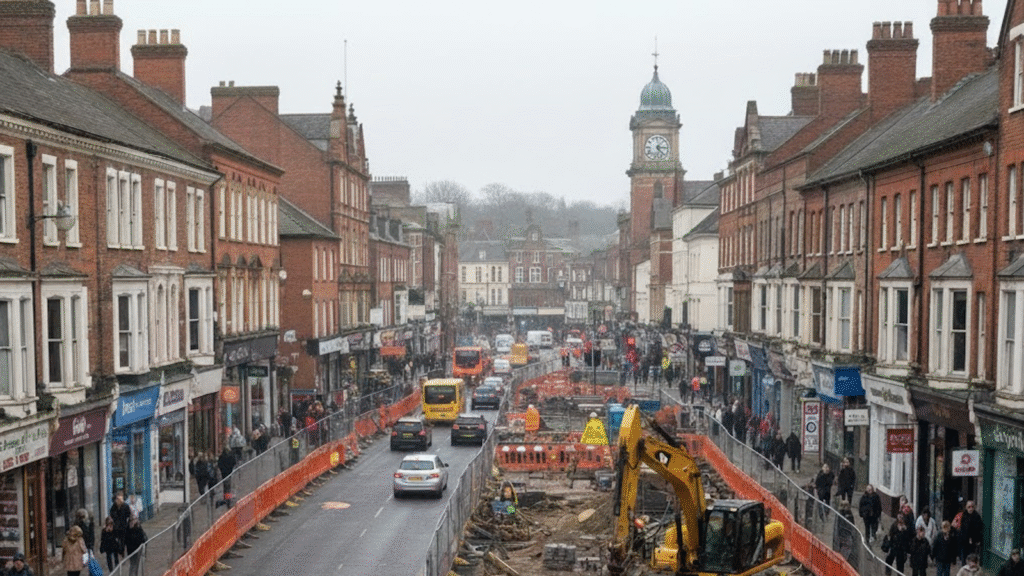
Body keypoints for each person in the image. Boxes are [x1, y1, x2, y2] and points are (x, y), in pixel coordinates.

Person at [958, 501, 984, 565]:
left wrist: (976, 539)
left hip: (973, 542)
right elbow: (962, 528)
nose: (971, 509)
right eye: (969, 507)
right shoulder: (964, 515)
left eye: (972, 507)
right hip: (964, 541)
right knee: (964, 559)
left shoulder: (977, 516)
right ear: (966, 507)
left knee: (972, 559)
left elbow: (979, 529)